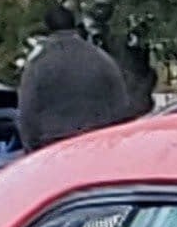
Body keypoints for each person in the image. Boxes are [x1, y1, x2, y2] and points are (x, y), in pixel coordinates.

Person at [15, 31, 148, 150]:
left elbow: (27, 108)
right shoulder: (100, 58)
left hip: (54, 145)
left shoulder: (38, 65)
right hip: (98, 142)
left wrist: (31, 146)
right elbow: (120, 101)